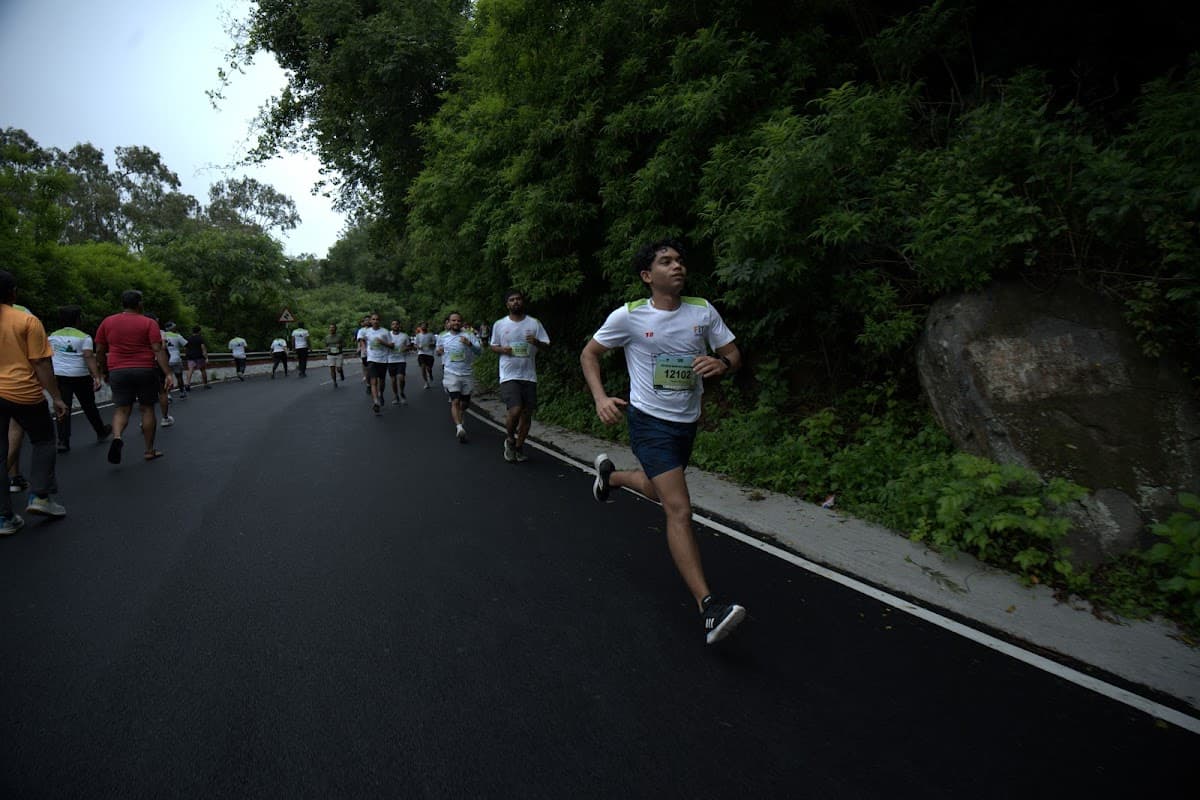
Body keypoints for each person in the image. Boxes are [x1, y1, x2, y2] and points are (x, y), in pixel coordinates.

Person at [580, 238, 746, 645]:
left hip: (686, 423)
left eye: (679, 260)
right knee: (679, 508)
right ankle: (709, 608)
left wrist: (721, 363)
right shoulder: (630, 316)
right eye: (665, 261)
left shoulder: (702, 311)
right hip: (648, 421)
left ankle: (612, 478)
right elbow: (589, 354)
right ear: (646, 276)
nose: (677, 266)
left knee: (658, 490)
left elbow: (734, 353)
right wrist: (601, 397)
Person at [0, 272, 68, 534]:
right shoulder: (27, 320)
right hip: (23, 393)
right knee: (43, 440)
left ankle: (4, 517)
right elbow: (40, 362)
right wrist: (57, 397)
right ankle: (40, 496)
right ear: (13, 293)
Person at [94, 289, 175, 464]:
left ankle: (117, 437)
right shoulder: (149, 323)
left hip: (118, 370)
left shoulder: (108, 322)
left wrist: (104, 371)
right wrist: (168, 373)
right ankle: (149, 450)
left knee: (122, 409)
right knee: (147, 409)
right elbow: (157, 349)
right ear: (139, 304)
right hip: (144, 369)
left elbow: (99, 350)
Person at [490, 290, 550, 463]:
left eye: (518, 299)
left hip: (529, 375)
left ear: (522, 302)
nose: (515, 302)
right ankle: (510, 439)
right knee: (515, 410)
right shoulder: (500, 324)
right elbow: (493, 345)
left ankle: (519, 446)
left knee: (526, 415)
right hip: (509, 374)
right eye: (511, 300)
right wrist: (502, 350)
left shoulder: (534, 323)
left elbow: (547, 344)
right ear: (507, 304)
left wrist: (536, 342)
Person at [48, 304, 112, 452]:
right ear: (77, 319)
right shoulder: (84, 337)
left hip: (59, 376)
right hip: (80, 376)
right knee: (89, 405)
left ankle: (63, 441)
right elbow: (89, 356)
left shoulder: (52, 337)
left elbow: (48, 357)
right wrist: (97, 376)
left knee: (63, 407)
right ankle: (101, 431)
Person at [436, 311, 481, 443]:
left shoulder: (469, 335)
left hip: (467, 373)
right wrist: (438, 352)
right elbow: (438, 351)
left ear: (461, 322)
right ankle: (459, 427)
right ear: (448, 323)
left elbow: (479, 352)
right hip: (451, 373)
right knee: (455, 401)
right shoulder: (443, 337)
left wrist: (469, 344)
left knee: (464, 403)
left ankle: (461, 417)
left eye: (458, 321)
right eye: (453, 320)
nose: (456, 323)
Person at [361, 313, 394, 415]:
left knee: (382, 381)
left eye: (377, 319)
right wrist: (363, 347)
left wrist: (383, 342)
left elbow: (392, 346)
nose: (375, 321)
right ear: (370, 321)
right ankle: (376, 402)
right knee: (373, 381)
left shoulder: (385, 332)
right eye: (373, 319)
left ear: (380, 321)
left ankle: (381, 394)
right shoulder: (367, 332)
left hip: (383, 359)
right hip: (371, 359)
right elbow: (362, 339)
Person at [387, 319, 411, 405]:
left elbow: (409, 346)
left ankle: (401, 392)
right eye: (393, 324)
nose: (395, 326)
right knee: (393, 380)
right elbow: (383, 345)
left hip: (401, 360)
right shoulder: (387, 335)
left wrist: (406, 348)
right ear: (391, 326)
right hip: (390, 360)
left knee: (401, 378)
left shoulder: (404, 336)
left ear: (399, 325)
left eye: (397, 324)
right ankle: (395, 395)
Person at [162, 322, 188, 399]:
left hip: (166, 359)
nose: (176, 328)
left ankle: (168, 395)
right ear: (172, 328)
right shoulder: (177, 335)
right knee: (179, 376)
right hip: (176, 358)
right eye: (174, 327)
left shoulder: (162, 335)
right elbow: (186, 344)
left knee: (167, 377)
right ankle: (182, 392)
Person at [185, 325, 210, 390]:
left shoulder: (189, 338)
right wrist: (206, 357)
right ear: (199, 331)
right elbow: (203, 348)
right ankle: (205, 384)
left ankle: (187, 384)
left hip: (190, 357)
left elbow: (187, 348)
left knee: (190, 370)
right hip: (199, 357)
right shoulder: (200, 338)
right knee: (203, 370)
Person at [414, 322, 437, 389]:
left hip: (429, 354)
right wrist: (418, 347)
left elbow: (435, 343)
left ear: (427, 327)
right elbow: (415, 344)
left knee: (429, 368)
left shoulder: (431, 335)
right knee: (423, 368)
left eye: (425, 326)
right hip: (421, 353)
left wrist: (431, 344)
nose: (423, 327)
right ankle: (426, 382)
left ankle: (430, 374)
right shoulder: (418, 335)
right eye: (422, 326)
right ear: (420, 327)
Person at [325, 323, 345, 387]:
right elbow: (325, 346)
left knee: (338, 369)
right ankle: (334, 382)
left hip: (338, 354)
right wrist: (327, 348)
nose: (331, 329)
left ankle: (341, 372)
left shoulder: (340, 336)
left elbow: (344, 344)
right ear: (329, 329)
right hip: (330, 355)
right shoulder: (327, 337)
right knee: (332, 369)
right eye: (330, 327)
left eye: (333, 327)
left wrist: (340, 345)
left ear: (335, 329)